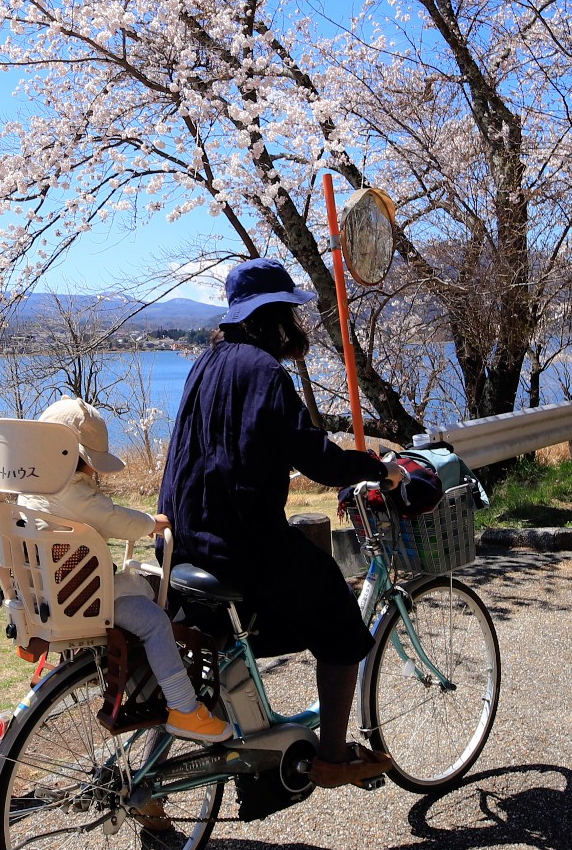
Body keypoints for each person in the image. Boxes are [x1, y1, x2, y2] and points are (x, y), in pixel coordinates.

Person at [158, 258, 409, 789]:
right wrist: (375, 467)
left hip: (182, 538)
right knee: (338, 615)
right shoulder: (264, 371)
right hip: (236, 543)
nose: (297, 327)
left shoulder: (207, 364)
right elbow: (315, 457)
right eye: (290, 316)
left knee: (254, 625)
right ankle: (334, 759)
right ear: (275, 319)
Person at [18, 397, 231, 744]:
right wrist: (151, 523)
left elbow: (104, 511)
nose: (93, 471)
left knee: (139, 586)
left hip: (50, 589)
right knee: (154, 621)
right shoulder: (73, 492)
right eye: (89, 463)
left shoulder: (31, 486)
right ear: (71, 457)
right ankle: (184, 708)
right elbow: (113, 518)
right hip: (84, 595)